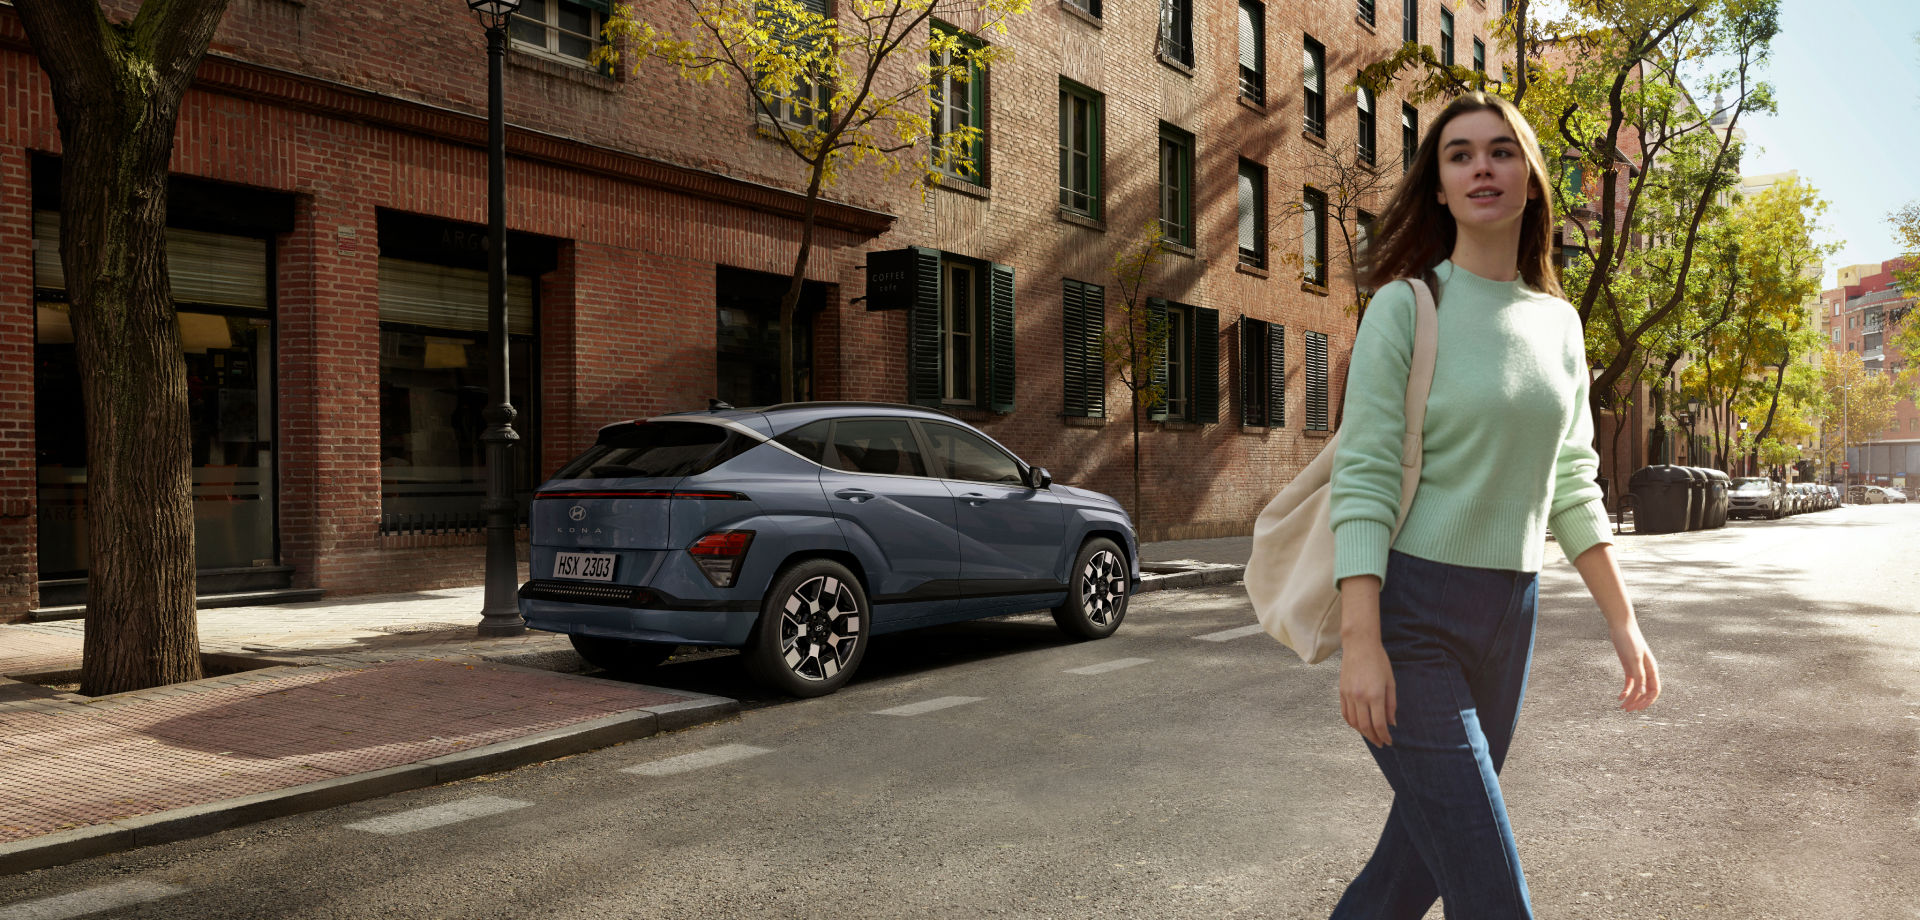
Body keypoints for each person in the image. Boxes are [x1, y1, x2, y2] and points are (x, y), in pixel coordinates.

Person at [1325, 92, 1661, 919]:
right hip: (1414, 615)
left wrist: (1624, 623)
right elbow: (1363, 475)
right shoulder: (1406, 305)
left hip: (1512, 612)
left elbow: (1574, 483)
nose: (1482, 166)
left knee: (1409, 875)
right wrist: (1361, 643)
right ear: (1438, 187)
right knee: (1490, 890)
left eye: (1502, 151)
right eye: (1461, 153)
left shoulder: (1560, 326)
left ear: (1532, 180)